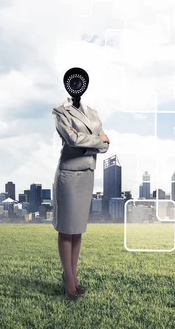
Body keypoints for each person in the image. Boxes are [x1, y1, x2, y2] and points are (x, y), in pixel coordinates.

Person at [51, 67, 110, 300]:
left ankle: (73, 276)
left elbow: (106, 145)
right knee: (67, 229)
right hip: (69, 174)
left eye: (80, 81)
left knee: (78, 230)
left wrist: (90, 141)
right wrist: (96, 141)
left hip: (87, 174)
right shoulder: (59, 111)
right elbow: (72, 139)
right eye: (72, 82)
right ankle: (68, 280)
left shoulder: (93, 113)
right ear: (67, 85)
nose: (76, 85)